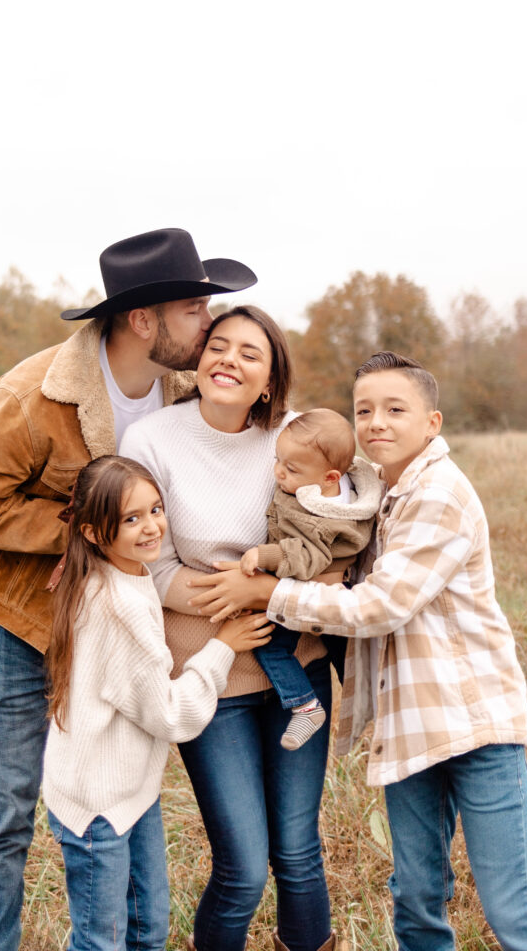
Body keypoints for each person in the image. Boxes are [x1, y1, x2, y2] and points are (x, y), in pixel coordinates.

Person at [0, 227, 257, 951]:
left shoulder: (180, 390)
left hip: (110, 633)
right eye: (193, 311)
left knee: (125, 795)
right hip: (12, 628)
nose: (207, 325)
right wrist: (78, 531)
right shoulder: (32, 397)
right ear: (144, 321)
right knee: (4, 815)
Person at [193, 351, 527, 951]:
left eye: (395, 409)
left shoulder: (438, 494)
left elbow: (379, 606)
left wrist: (270, 591)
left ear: (432, 423)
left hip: (474, 723)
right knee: (414, 899)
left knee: (510, 907)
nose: (376, 423)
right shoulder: (373, 495)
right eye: (364, 410)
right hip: (411, 725)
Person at [120, 306, 339, 951]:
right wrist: (235, 603)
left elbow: (336, 550)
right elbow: (149, 564)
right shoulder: (154, 439)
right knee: (243, 868)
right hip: (207, 673)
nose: (229, 360)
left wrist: (263, 592)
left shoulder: (295, 439)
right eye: (218, 345)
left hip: (297, 665)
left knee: (298, 853)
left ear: (270, 380)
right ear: (199, 357)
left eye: (250, 353)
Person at [42, 454, 273, 951]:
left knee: (148, 930)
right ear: (91, 531)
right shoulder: (118, 606)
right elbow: (171, 715)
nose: (151, 527)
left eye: (155, 509)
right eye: (131, 519)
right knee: (101, 941)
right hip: (96, 805)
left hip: (128, 792)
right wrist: (223, 648)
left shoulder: (120, 572)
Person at [240, 408, 381, 751]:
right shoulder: (341, 485)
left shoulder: (320, 515)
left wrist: (266, 555)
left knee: (272, 648)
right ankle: (376, 712)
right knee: (346, 657)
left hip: (313, 591)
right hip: (330, 592)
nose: (278, 473)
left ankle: (305, 706)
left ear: (331, 477)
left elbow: (309, 556)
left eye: (291, 469)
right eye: (278, 461)